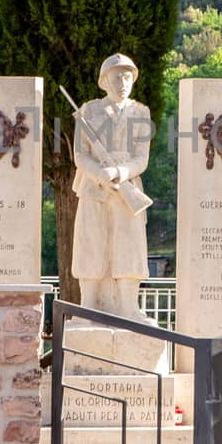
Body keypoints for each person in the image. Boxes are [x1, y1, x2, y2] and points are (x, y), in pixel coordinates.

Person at [72, 53, 152, 321]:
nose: (123, 82)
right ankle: (89, 306)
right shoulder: (89, 110)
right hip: (94, 188)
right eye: (117, 77)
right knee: (91, 245)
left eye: (128, 77)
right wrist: (100, 174)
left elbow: (142, 158)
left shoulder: (141, 112)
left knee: (129, 246)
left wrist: (119, 172)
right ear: (104, 81)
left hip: (126, 187)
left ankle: (128, 307)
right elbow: (80, 155)